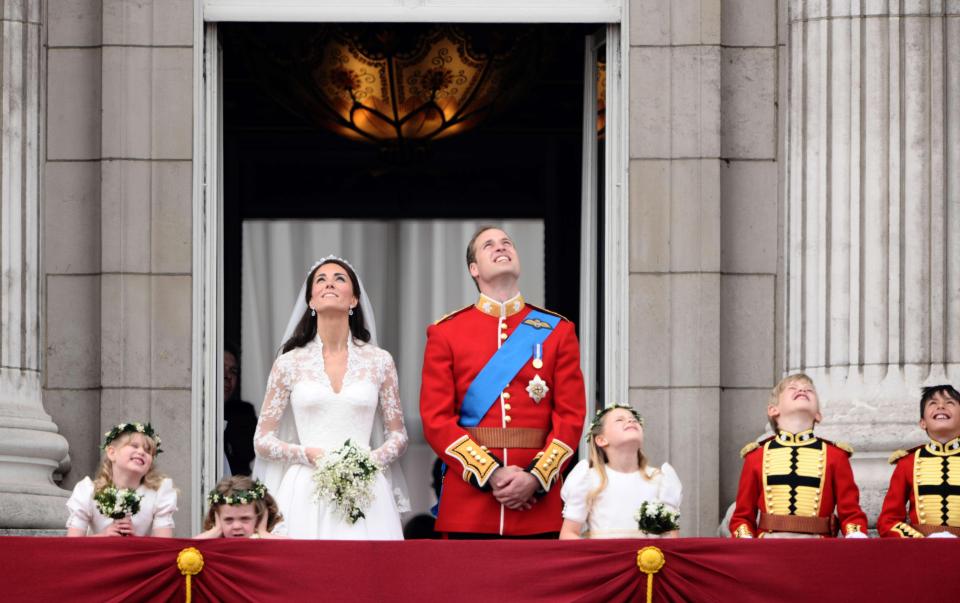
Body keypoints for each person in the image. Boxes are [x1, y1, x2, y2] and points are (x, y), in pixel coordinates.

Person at [419, 226, 586, 537]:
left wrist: (536, 478)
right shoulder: (446, 332)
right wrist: (491, 473)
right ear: (474, 269)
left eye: (507, 242)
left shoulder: (557, 330)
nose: (501, 247)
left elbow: (571, 417)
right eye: (489, 245)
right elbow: (436, 419)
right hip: (470, 505)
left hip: (537, 505)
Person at [252, 256, 409, 539]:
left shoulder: (379, 361)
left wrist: (369, 461)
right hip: (305, 488)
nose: (329, 284)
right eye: (320, 280)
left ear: (354, 300)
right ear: (310, 301)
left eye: (339, 278)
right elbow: (262, 440)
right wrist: (305, 454)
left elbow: (398, 435)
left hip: (365, 486)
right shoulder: (289, 363)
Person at [729, 374, 868, 538]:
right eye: (793, 388)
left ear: (818, 415)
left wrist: (855, 535)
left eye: (809, 390)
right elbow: (742, 517)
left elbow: (851, 512)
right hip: (767, 547)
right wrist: (746, 540)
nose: (802, 390)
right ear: (773, 410)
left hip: (818, 547)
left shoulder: (835, 456)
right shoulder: (756, 456)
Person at [559, 405, 681, 539]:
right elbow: (568, 534)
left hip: (647, 558)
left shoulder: (660, 479)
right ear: (601, 439)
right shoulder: (588, 479)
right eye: (619, 420)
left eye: (634, 419)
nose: (631, 421)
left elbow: (671, 537)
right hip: (605, 558)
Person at [66, 422, 177, 537]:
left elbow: (163, 544)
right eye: (134, 446)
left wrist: (136, 540)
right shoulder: (88, 491)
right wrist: (104, 535)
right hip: (100, 554)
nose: (141, 452)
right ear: (112, 453)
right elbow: (72, 544)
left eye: (148, 451)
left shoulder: (158, 493)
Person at [877, 384, 960, 538]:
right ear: (923, 422)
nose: (941, 406)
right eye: (933, 403)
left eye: (949, 402)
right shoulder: (908, 463)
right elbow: (888, 520)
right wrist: (917, 540)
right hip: (921, 550)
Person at [195, 476, 285, 538]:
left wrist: (263, 533)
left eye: (245, 518)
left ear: (259, 518)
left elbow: (295, 550)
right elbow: (185, 549)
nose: (236, 526)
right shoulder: (212, 544)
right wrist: (216, 530)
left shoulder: (267, 543)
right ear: (217, 518)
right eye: (228, 519)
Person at [224, 343, 258, 476]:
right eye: (221, 368)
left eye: (233, 371)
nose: (227, 376)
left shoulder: (244, 413)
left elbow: (247, 453)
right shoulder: (198, 411)